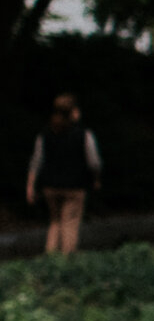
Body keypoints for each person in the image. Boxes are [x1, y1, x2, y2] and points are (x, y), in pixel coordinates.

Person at [25, 94, 102, 255]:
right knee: (70, 224)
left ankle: (50, 259)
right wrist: (95, 179)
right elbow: (94, 162)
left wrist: (30, 185)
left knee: (55, 223)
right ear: (73, 112)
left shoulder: (45, 134)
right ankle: (67, 261)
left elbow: (36, 161)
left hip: (50, 186)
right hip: (75, 186)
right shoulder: (83, 135)